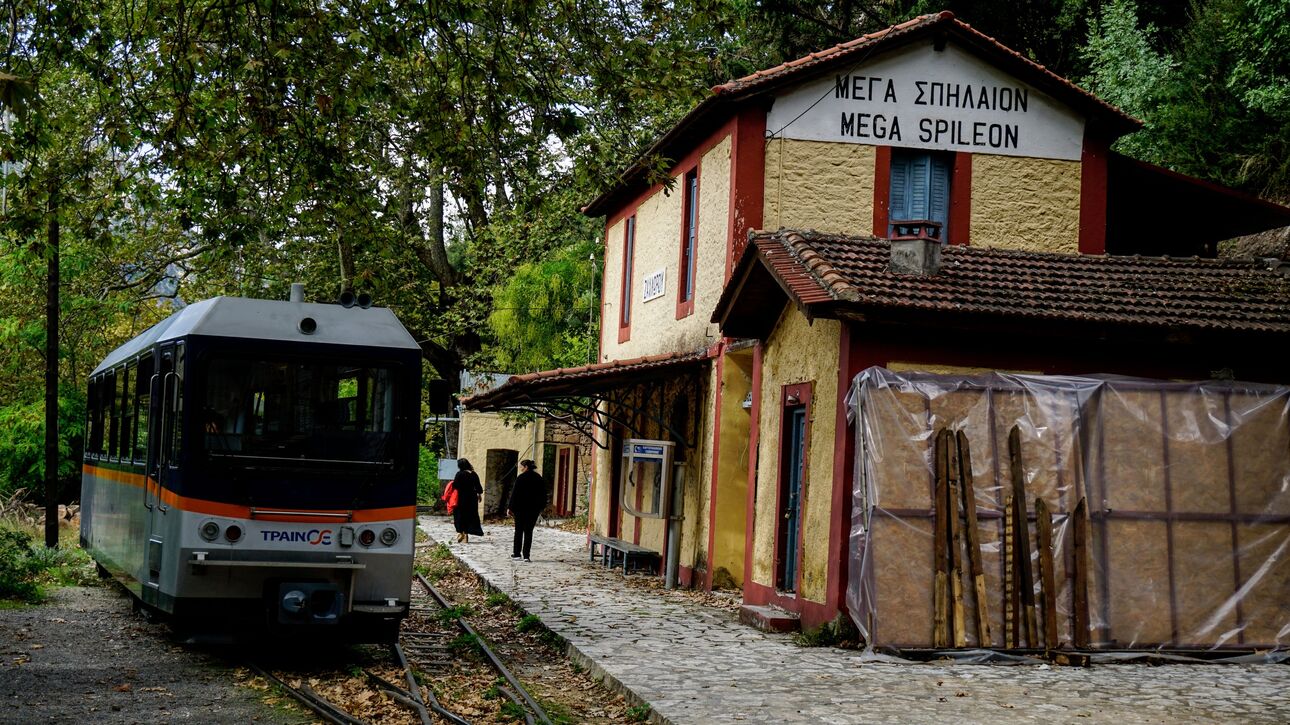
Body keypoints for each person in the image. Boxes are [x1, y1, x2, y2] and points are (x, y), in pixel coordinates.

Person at [508, 459, 547, 561]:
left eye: (521, 467)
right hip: (533, 510)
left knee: (519, 531)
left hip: (520, 509)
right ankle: (526, 556)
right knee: (529, 532)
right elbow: (543, 495)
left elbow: (514, 494)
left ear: (526, 467)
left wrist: (510, 508)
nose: (520, 469)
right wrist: (541, 508)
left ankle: (517, 554)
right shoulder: (539, 478)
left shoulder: (520, 478)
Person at [446, 458, 484, 543]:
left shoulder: (459, 474)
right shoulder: (474, 474)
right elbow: (478, 487)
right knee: (470, 515)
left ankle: (461, 532)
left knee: (460, 515)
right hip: (472, 498)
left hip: (461, 498)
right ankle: (466, 533)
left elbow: (455, 486)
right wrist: (479, 495)